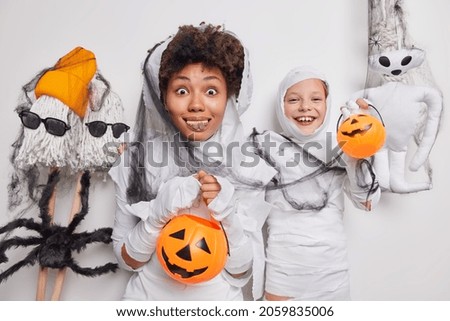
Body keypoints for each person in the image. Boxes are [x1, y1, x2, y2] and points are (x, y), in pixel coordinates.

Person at [109, 23, 275, 300]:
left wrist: (228, 215)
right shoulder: (134, 162)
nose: (196, 104)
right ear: (163, 98)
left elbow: (241, 272)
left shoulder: (248, 168)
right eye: (182, 91)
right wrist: (156, 216)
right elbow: (127, 261)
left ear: (229, 97)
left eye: (211, 91)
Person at [250, 66, 381, 300]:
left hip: (333, 276)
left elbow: (368, 202)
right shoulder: (265, 146)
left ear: (327, 104)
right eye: (293, 99)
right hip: (284, 277)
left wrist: (360, 150)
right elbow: (245, 208)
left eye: (316, 99)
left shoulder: (341, 145)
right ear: (281, 105)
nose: (305, 107)